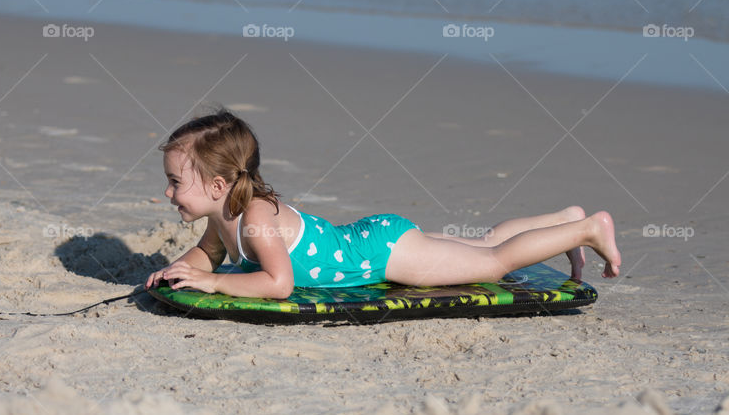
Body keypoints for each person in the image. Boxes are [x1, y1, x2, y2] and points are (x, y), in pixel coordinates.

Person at [145, 108, 621, 299]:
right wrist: (181, 270)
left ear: (217, 183)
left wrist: (211, 284)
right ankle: (565, 219)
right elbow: (206, 253)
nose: (167, 193)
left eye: (174, 182)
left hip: (384, 254)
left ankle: (588, 230)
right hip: (373, 237)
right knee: (483, 243)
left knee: (493, 264)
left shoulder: (255, 219)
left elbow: (279, 283)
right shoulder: (225, 212)